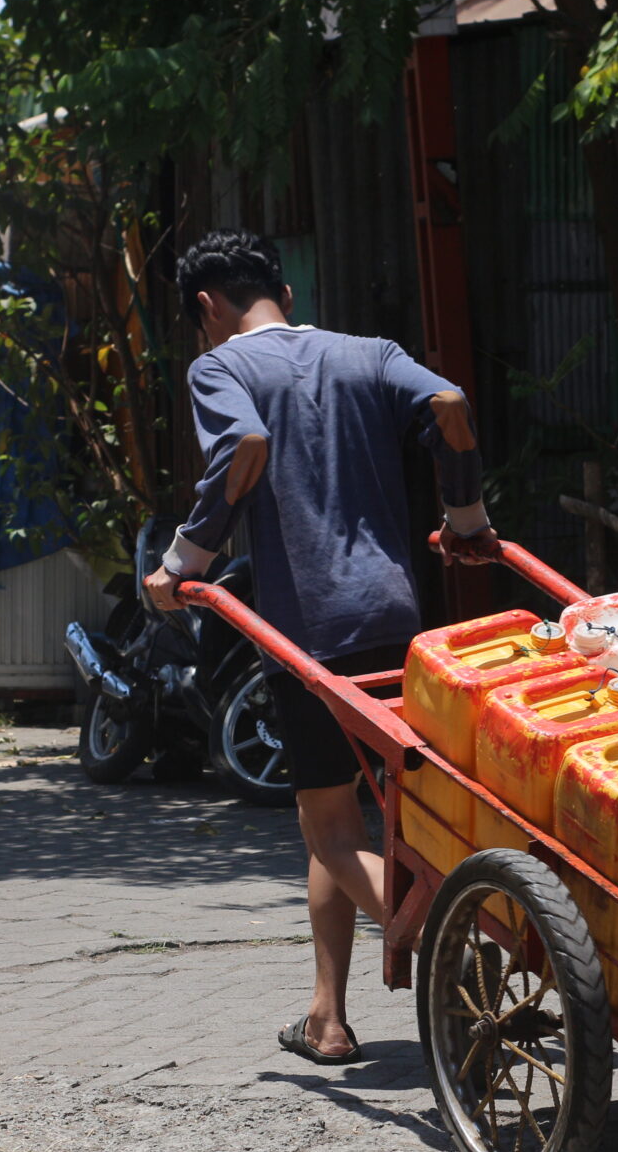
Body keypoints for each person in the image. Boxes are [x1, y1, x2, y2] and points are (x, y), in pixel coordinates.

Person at [143, 228, 500, 1066]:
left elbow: (244, 446)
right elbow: (449, 404)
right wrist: (467, 521)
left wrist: (182, 562)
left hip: (306, 632)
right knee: (330, 817)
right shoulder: (367, 352)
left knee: (336, 831)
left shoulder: (220, 368)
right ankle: (327, 1016)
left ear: (206, 306)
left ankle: (460, 945)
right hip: (395, 620)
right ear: (287, 294)